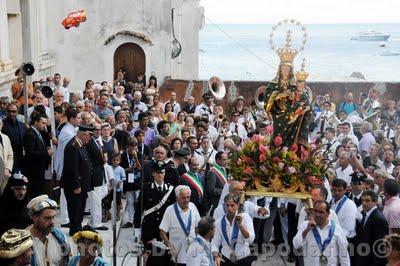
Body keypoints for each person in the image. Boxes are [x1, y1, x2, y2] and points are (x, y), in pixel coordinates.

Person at [134, 161, 175, 265]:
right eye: (157, 173)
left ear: (164, 173)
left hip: (165, 230)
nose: (159, 175)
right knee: (149, 257)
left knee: (165, 257)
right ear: (153, 174)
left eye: (162, 172)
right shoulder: (146, 188)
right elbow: (139, 209)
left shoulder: (170, 189)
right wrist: (137, 228)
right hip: (150, 229)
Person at [293, 200, 350, 266]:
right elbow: (295, 245)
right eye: (315, 211)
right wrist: (306, 230)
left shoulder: (337, 229)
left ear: (328, 214)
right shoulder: (305, 225)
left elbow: (344, 255)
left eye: (321, 212)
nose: (317, 214)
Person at [60, 126, 93, 236]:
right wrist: (76, 185)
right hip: (75, 186)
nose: (90, 139)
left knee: (79, 209)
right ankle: (75, 230)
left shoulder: (80, 144)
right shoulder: (73, 146)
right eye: (89, 136)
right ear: (83, 134)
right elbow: (72, 168)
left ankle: (77, 228)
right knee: (75, 209)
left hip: (82, 184)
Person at [160, 185, 201, 265]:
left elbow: (197, 226)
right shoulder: (170, 210)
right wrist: (170, 246)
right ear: (177, 198)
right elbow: (162, 231)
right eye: (183, 198)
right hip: (177, 252)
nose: (186, 200)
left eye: (188, 197)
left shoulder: (193, 207)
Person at [211, 193, 255, 266]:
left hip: (243, 259)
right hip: (226, 259)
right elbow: (215, 242)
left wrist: (241, 225)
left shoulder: (245, 217)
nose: (229, 208)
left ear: (237, 206)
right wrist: (216, 256)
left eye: (232, 205)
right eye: (227, 205)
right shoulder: (218, 222)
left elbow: (250, 239)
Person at [55, 107, 81, 227]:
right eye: (78, 118)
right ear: (71, 119)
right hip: (65, 166)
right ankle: (65, 219)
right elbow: (68, 152)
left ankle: (68, 218)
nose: (80, 120)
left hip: (68, 166)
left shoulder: (71, 129)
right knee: (65, 194)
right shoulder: (66, 132)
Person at [27, 195, 70, 265]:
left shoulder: (61, 237)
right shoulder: (24, 242)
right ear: (34, 218)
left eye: (53, 217)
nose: (52, 222)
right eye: (47, 218)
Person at [355, 190, 389, 266]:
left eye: (367, 201)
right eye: (362, 200)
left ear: (375, 202)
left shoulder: (378, 218)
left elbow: (380, 246)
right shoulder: (366, 214)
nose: (363, 203)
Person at [22, 112, 52, 198]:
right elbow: (30, 153)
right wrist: (46, 153)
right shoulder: (30, 134)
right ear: (36, 122)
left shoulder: (39, 133)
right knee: (34, 194)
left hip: (39, 169)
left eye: (46, 123)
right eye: (43, 123)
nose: (44, 126)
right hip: (33, 171)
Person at [86, 122, 108, 230]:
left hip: (99, 173)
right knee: (95, 200)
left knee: (98, 198)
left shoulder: (98, 142)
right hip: (94, 174)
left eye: (99, 129)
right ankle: (96, 223)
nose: (98, 131)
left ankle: (94, 220)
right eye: (96, 129)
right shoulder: (89, 142)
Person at [2, 103, 26, 174]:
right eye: (9, 111)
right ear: (6, 112)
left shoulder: (22, 125)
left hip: (20, 158)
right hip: (7, 158)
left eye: (14, 112)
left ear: (18, 112)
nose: (11, 114)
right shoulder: (2, 125)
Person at [0, 118, 14, 194]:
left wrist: (8, 169)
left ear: (1, 125)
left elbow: (10, 155)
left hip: (5, 175)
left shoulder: (6, 138)